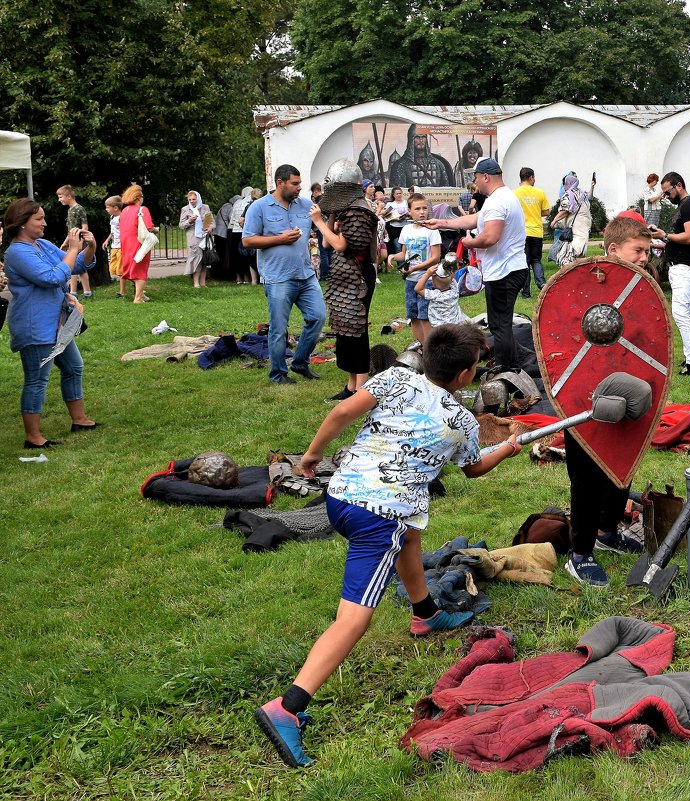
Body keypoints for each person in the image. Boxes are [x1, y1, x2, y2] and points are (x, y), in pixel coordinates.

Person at [252, 323, 523, 769]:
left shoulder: (396, 377)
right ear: (465, 376)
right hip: (378, 517)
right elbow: (474, 470)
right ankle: (287, 707)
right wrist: (508, 449)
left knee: (411, 536)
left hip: (339, 496)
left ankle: (425, 615)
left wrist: (312, 455)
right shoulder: (461, 422)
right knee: (353, 619)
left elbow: (341, 415)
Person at [563, 214, 654, 586]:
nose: (645, 257)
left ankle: (606, 531)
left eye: (648, 251)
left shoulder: (640, 286)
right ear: (612, 249)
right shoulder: (582, 286)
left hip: (624, 383)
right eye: (638, 251)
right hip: (585, 393)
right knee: (586, 475)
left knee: (623, 463)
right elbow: (564, 340)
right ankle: (580, 552)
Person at [3, 198, 100, 448]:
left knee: (74, 367)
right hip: (35, 325)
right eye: (39, 219)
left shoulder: (42, 245)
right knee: (37, 379)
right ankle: (33, 438)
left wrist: (89, 246)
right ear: (22, 223)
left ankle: (79, 419)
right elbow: (51, 277)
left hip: (57, 324)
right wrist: (71, 249)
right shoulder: (16, 252)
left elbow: (77, 264)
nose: (44, 223)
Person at [423, 158, 528, 371]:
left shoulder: (498, 201)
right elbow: (473, 220)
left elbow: (489, 237)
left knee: (500, 326)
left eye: (476, 177)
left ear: (486, 177)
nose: (475, 181)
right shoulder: (501, 197)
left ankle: (508, 370)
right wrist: (442, 223)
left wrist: (468, 242)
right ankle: (510, 364)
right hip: (508, 269)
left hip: (503, 272)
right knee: (500, 324)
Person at [242, 164, 327, 385]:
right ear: (280, 183)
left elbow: (323, 225)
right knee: (279, 329)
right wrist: (279, 239)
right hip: (277, 277)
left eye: (300, 183)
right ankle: (278, 373)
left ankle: (299, 362)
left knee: (317, 317)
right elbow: (248, 240)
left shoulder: (306, 205)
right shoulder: (259, 207)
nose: (299, 188)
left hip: (306, 275)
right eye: (295, 183)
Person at [309, 161, 381, 402]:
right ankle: (351, 386)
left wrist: (319, 222)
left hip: (357, 278)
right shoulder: (346, 210)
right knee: (345, 330)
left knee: (356, 331)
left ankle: (362, 387)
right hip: (344, 280)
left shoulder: (359, 211)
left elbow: (341, 245)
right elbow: (328, 243)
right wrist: (330, 216)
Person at [649, 172, 690, 375]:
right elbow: (680, 236)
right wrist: (663, 239)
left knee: (681, 314)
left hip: (685, 267)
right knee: (686, 313)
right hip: (680, 266)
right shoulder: (684, 205)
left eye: (667, 192)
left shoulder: (689, 205)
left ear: (678, 186)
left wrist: (665, 235)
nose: (666, 196)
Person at [391, 193, 441, 346]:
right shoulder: (406, 230)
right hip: (410, 280)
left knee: (425, 315)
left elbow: (436, 258)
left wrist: (414, 268)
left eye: (424, 208)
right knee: (413, 315)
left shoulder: (432, 230)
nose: (422, 212)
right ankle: (419, 347)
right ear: (409, 211)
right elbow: (404, 254)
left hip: (427, 279)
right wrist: (392, 257)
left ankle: (430, 349)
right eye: (417, 208)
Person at [513, 167, 550, 298]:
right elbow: (546, 211)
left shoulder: (515, 193)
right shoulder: (540, 193)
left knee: (525, 263)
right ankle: (542, 286)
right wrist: (535, 211)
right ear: (531, 177)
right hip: (537, 232)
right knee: (536, 261)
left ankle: (526, 292)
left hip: (522, 233)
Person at [117, 184, 157, 304]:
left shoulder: (124, 210)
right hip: (139, 243)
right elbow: (149, 227)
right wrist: (155, 230)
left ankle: (140, 294)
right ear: (138, 198)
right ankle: (138, 298)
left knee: (131, 268)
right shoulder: (143, 209)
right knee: (140, 269)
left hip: (126, 244)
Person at [549, 173, 593, 266]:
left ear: (569, 184)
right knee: (579, 254)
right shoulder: (581, 194)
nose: (564, 186)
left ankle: (570, 276)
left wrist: (554, 220)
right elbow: (590, 197)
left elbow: (565, 210)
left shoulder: (569, 194)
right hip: (584, 227)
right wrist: (592, 186)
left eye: (565, 184)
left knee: (568, 256)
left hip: (576, 228)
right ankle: (578, 275)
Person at [57, 185, 92, 299]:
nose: (59, 199)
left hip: (79, 242)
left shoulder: (79, 208)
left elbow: (85, 226)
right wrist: (65, 242)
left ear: (69, 196)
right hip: (72, 243)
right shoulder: (69, 210)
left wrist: (81, 240)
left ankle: (87, 292)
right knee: (71, 266)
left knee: (81, 267)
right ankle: (73, 292)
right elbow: (70, 230)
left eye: (60, 196)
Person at [415, 260, 466, 329]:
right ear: (451, 279)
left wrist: (427, 274)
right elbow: (453, 275)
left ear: (433, 283)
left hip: (439, 329)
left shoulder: (435, 295)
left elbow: (418, 289)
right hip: (454, 326)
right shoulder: (455, 290)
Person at [179, 191, 213, 289]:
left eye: (194, 199)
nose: (192, 201)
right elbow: (181, 225)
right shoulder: (185, 209)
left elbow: (211, 222)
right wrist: (189, 221)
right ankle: (196, 283)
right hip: (193, 237)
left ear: (198, 198)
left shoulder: (205, 207)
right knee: (196, 259)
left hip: (204, 236)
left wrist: (210, 227)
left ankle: (202, 283)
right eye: (189, 200)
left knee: (204, 259)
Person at [229, 186, 254, 284]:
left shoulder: (237, 203)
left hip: (235, 231)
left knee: (237, 256)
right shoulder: (249, 204)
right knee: (247, 255)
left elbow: (231, 220)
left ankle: (239, 278)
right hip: (244, 231)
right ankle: (248, 278)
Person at [100, 196, 124, 297]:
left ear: (115, 208)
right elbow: (113, 231)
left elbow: (125, 232)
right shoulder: (112, 217)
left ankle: (122, 292)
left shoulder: (122, 218)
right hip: (114, 246)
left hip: (121, 246)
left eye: (108, 207)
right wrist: (107, 240)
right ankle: (136, 282)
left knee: (120, 270)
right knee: (113, 269)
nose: (106, 209)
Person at [309, 184, 331, 281]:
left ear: (314, 191)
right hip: (330, 227)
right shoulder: (327, 200)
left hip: (322, 228)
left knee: (323, 252)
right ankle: (332, 272)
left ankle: (325, 275)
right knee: (330, 251)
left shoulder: (318, 201)